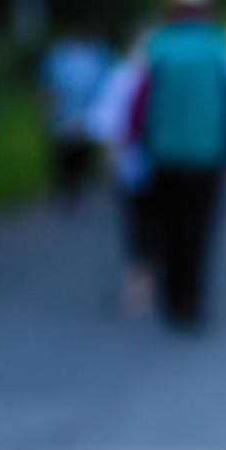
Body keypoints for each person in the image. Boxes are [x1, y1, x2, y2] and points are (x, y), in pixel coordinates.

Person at [127, 0, 226, 329]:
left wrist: (136, 142)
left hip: (162, 150)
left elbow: (136, 100)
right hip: (209, 150)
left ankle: (170, 298)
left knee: (166, 224)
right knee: (199, 225)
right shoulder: (223, 42)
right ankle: (193, 298)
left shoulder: (155, 42)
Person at [86, 32, 159, 316]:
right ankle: (158, 278)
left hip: (131, 165)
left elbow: (103, 126)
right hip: (173, 164)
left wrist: (105, 166)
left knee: (137, 225)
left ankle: (139, 284)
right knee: (163, 222)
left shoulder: (120, 77)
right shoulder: (171, 74)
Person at [39, 27, 113, 210]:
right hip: (66, 112)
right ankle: (69, 190)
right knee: (66, 153)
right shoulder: (60, 55)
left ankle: (78, 188)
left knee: (81, 153)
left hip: (84, 113)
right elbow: (48, 86)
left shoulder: (96, 53)